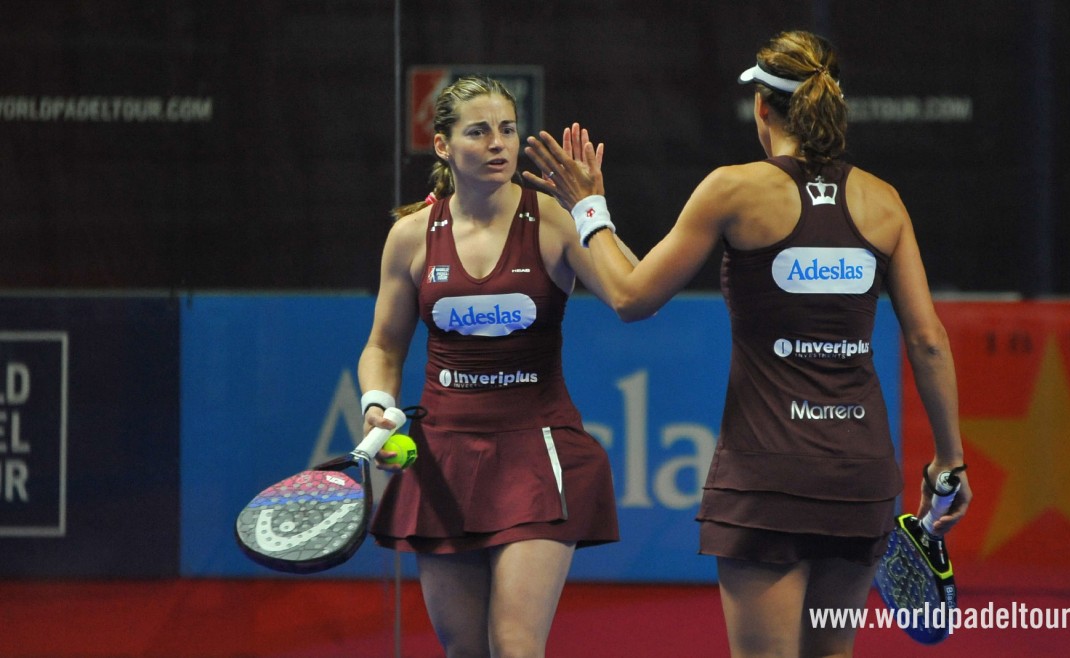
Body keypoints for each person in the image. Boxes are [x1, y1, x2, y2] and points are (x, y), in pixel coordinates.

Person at [524, 31, 971, 658]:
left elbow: (630, 297)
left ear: (763, 108)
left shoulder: (732, 190)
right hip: (858, 478)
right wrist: (949, 463)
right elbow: (927, 342)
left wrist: (588, 208)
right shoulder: (883, 201)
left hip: (766, 481)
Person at [358, 75, 634, 658]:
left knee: (513, 644)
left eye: (507, 129)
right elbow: (383, 346)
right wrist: (377, 403)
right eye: (478, 131)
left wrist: (590, 208)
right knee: (465, 650)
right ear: (442, 145)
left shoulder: (554, 221)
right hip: (442, 458)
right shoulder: (410, 237)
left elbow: (628, 292)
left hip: (538, 453)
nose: (497, 144)